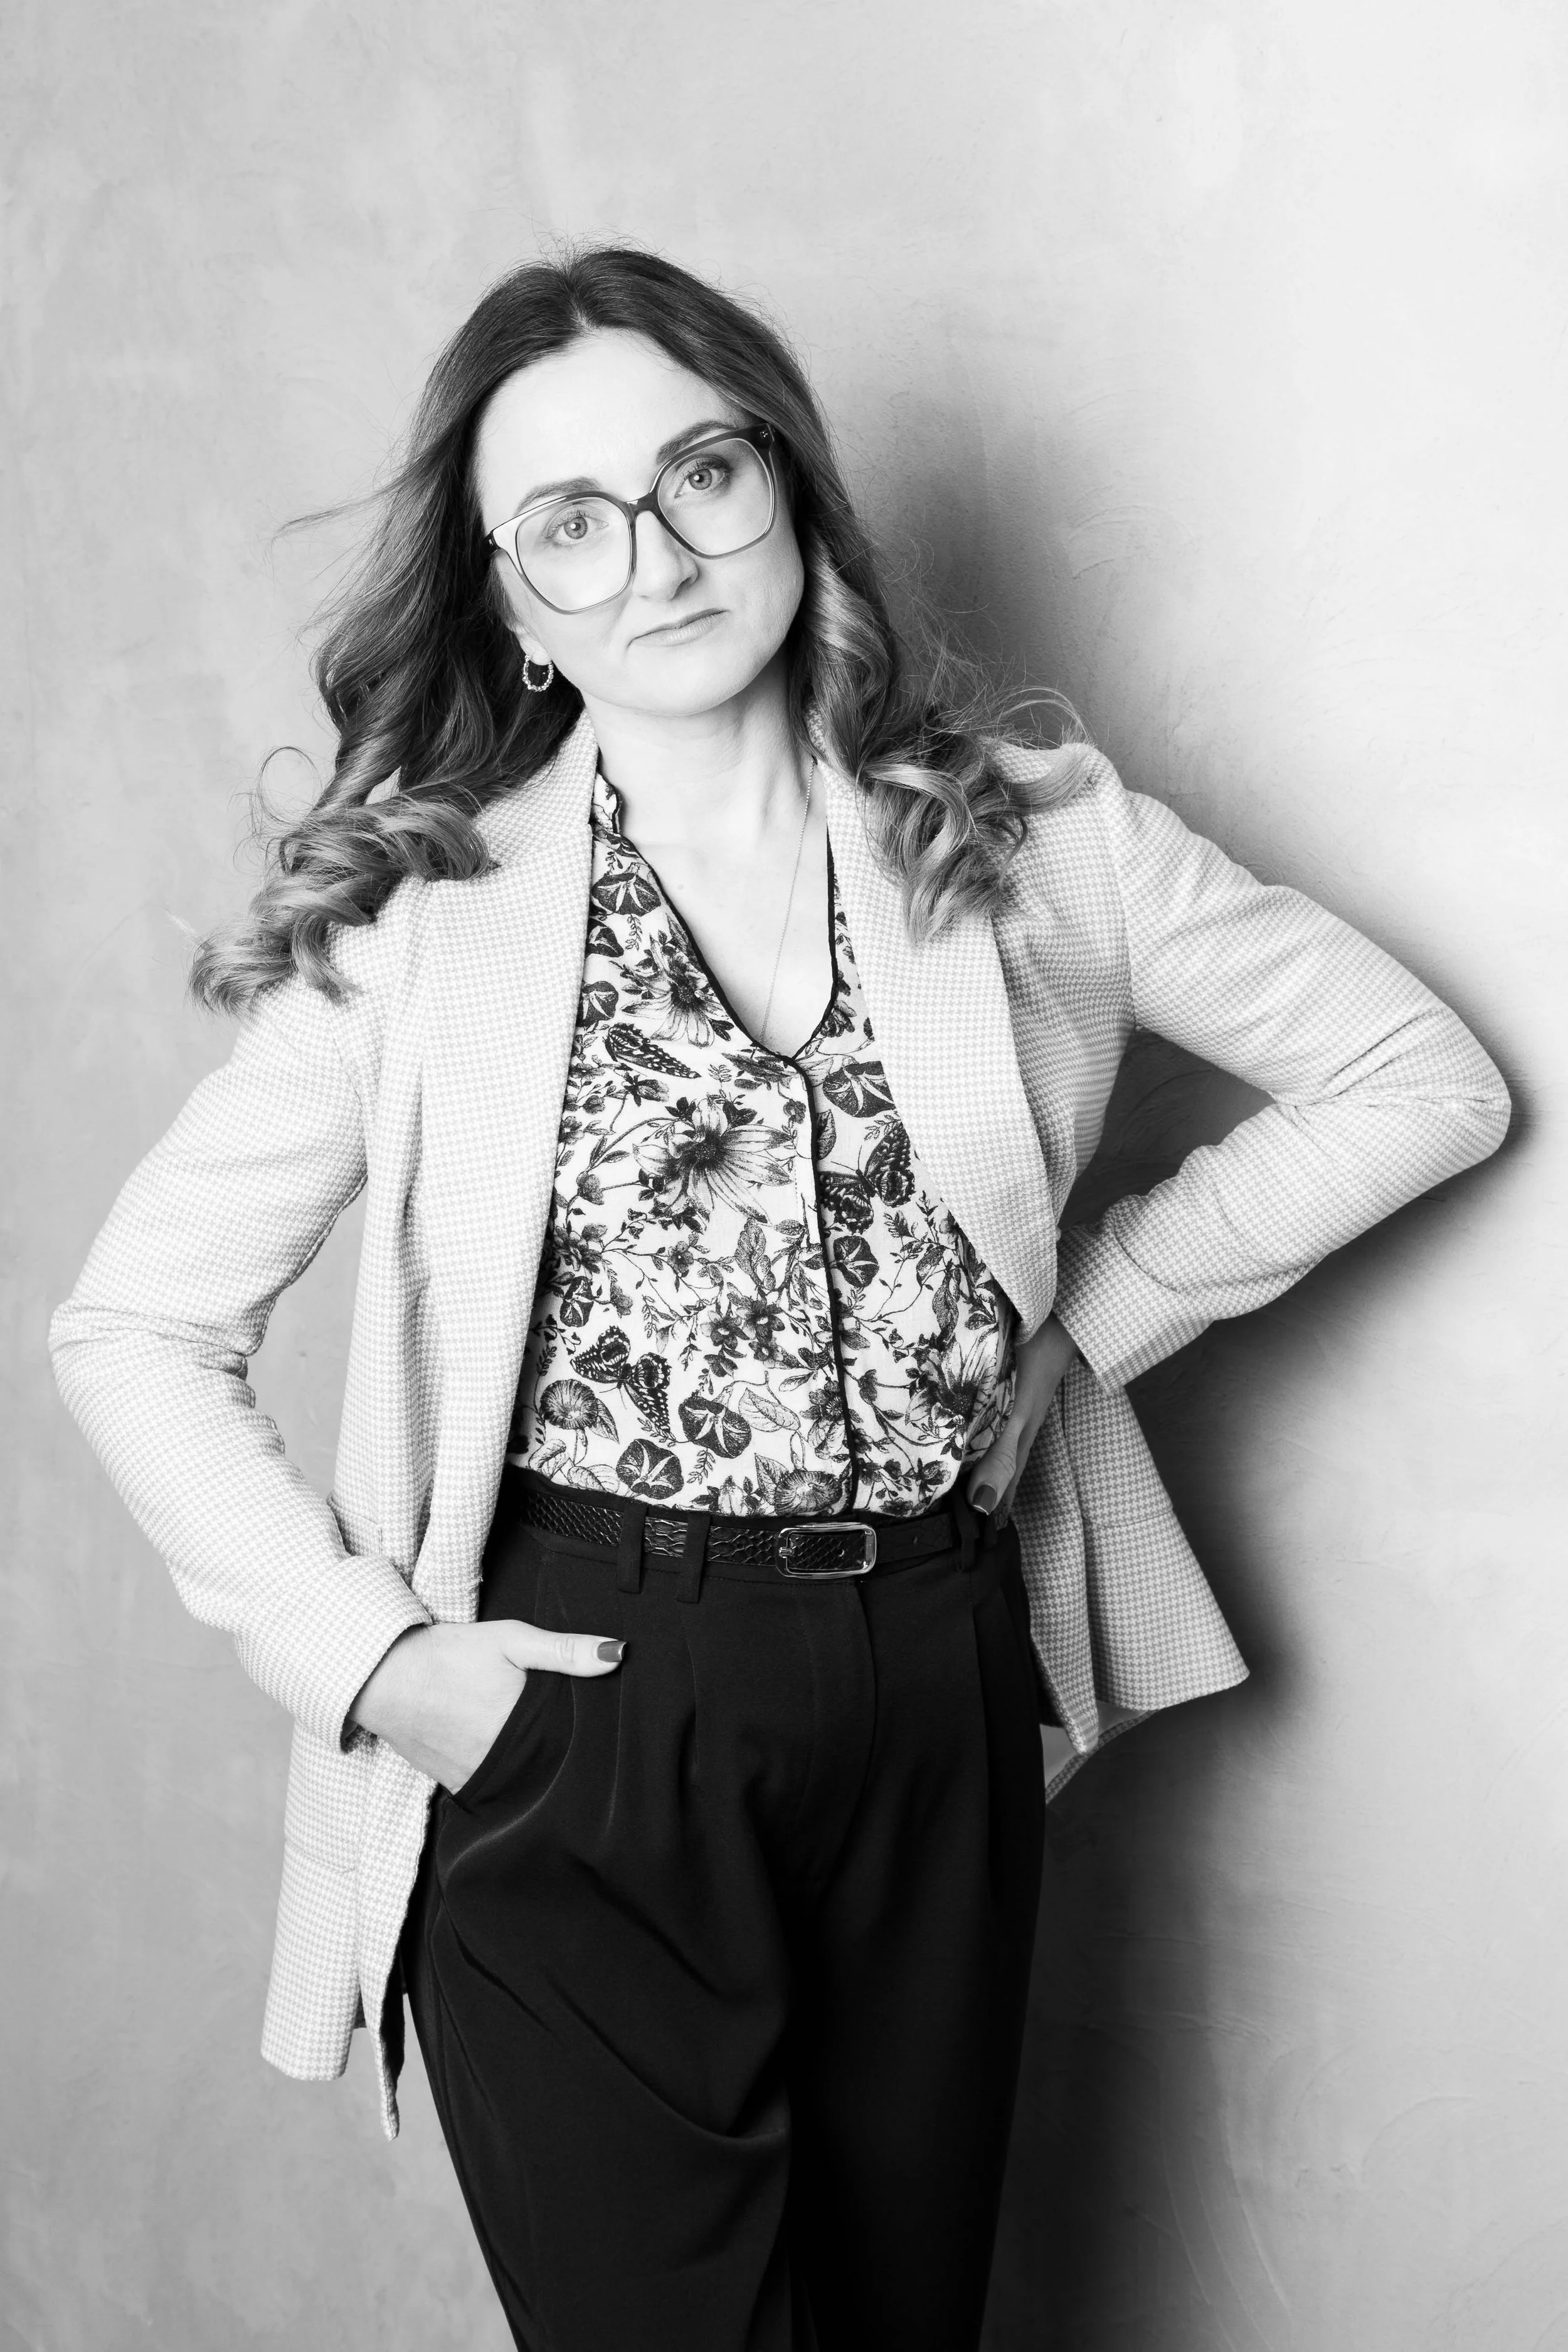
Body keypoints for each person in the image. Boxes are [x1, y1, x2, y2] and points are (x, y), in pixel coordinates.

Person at [48, 246, 1510, 2352]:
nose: (651, 557)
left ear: (788, 485)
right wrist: (379, 1664)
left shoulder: (1027, 844)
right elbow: (131, 1329)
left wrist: (1095, 1317)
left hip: (937, 1673)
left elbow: (1417, 1078)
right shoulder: (428, 927)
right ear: (510, 602)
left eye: (699, 474)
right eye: (569, 522)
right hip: (579, 1699)